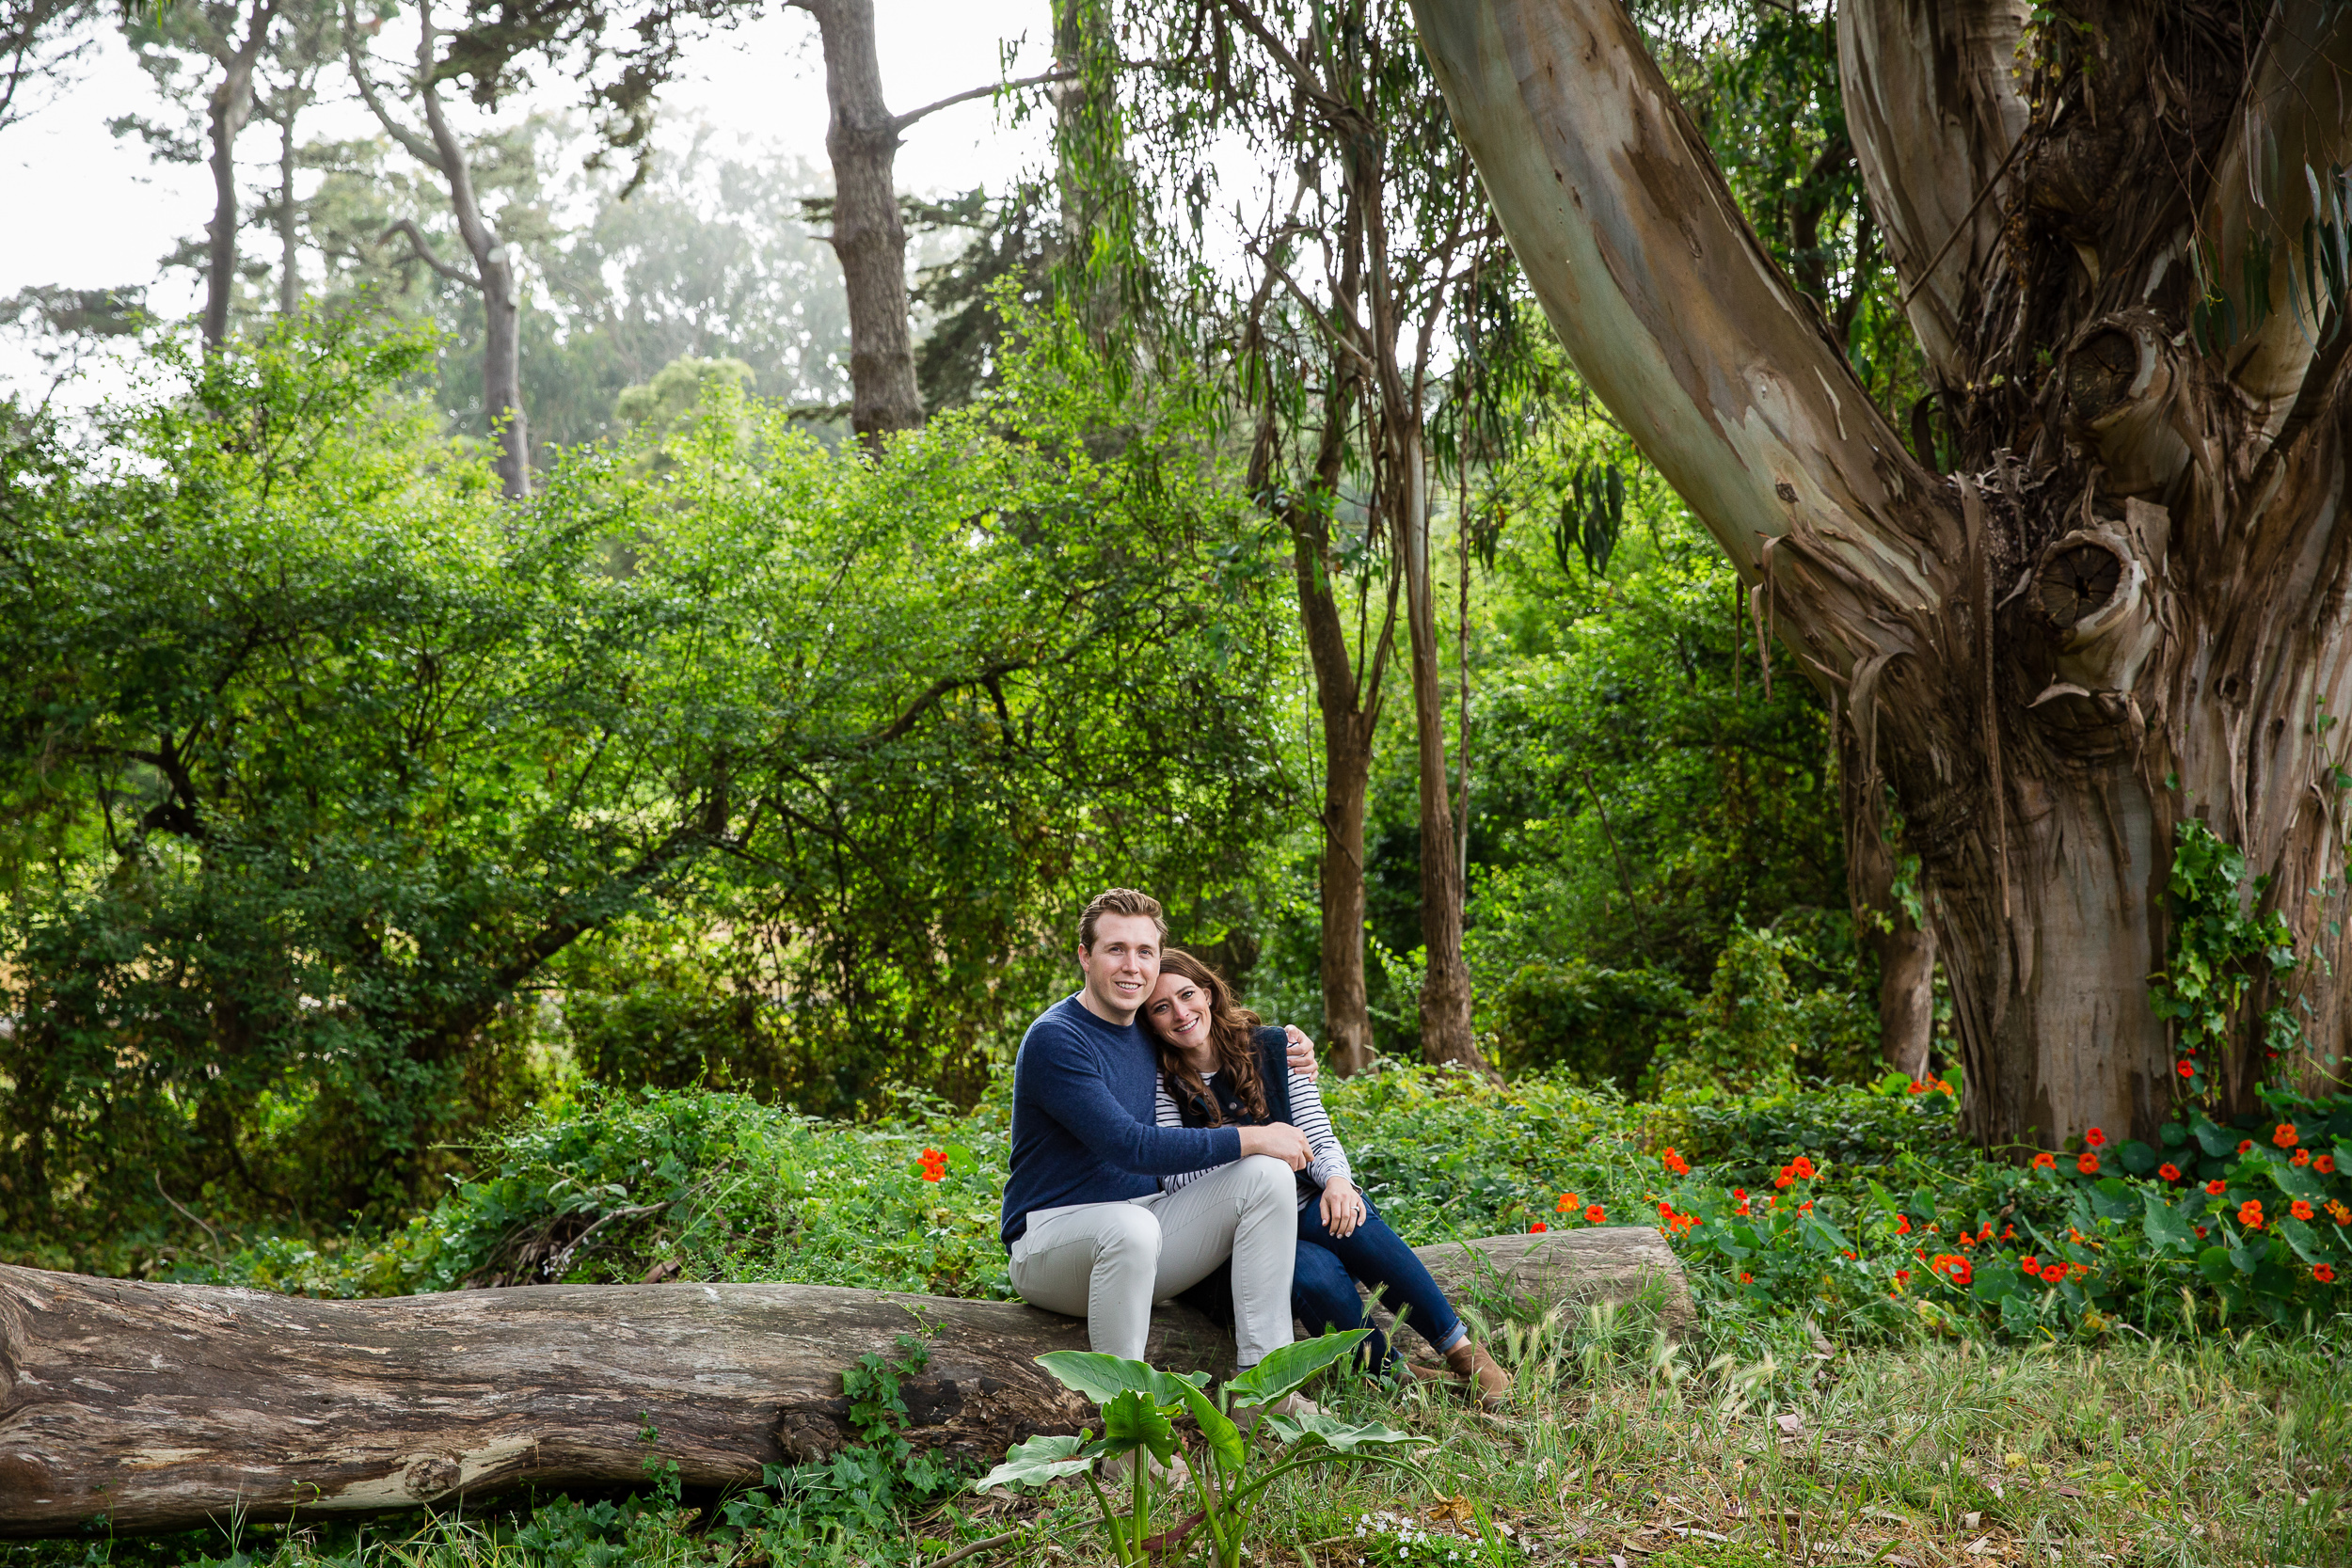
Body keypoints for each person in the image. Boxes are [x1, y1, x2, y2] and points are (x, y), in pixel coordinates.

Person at [1142, 948, 1510, 1405]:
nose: (1180, 1013)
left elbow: (1315, 1130)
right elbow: (1176, 1177)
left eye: (1187, 995)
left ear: (1210, 993)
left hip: (1305, 1205)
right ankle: (1391, 1372)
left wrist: (1337, 1180)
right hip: (1230, 1242)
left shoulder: (1275, 1048)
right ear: (1150, 1020)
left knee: (1345, 1214)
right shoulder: (1159, 1079)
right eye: (1161, 1007)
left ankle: (1462, 1351)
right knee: (1311, 1273)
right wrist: (1257, 1142)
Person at [999, 887, 1320, 1386]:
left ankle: (1264, 1390)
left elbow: (1214, 1033)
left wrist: (1288, 1047)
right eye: (1116, 950)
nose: (1132, 966)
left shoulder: (1147, 1027)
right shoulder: (1057, 1038)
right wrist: (1254, 1137)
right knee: (1133, 1227)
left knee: (1267, 1177)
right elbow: (1131, 1146)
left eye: (1145, 952)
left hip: (1147, 1229)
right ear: (1085, 956)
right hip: (1051, 1242)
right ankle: (1130, 1436)